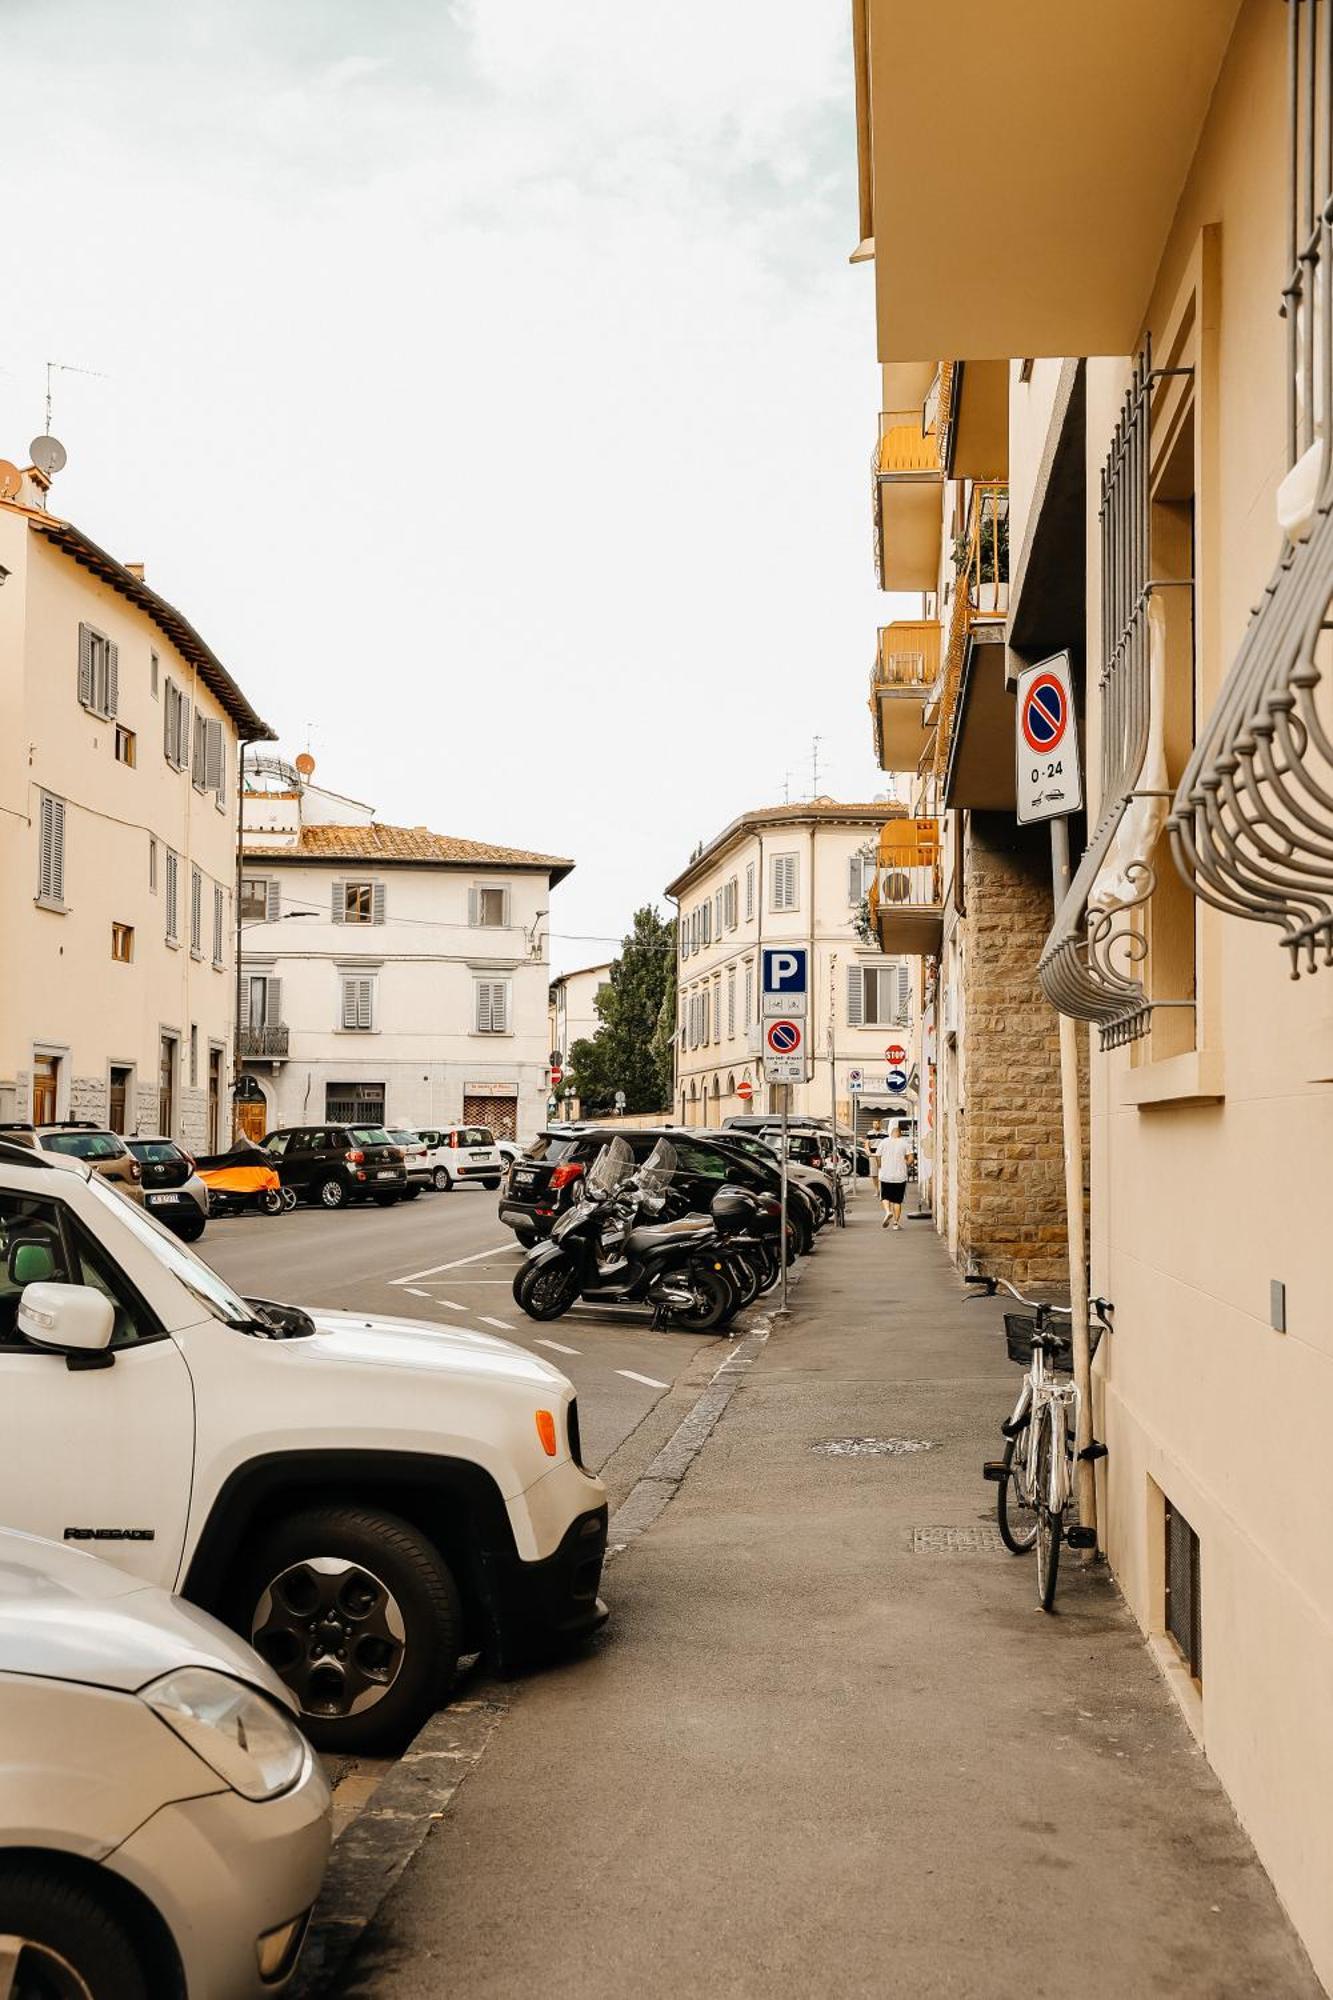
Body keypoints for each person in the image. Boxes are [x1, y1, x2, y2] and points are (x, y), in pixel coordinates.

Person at [875, 1123, 912, 1230]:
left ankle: (887, 1211)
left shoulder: (884, 1142)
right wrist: (905, 1164)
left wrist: (880, 1166)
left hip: (885, 1174)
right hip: (900, 1176)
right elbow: (911, 1159)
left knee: (885, 1196)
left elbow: (877, 1155)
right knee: (897, 1201)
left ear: (891, 1134)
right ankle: (895, 1224)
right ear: (900, 1134)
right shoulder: (905, 1143)